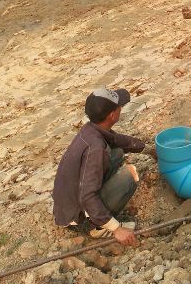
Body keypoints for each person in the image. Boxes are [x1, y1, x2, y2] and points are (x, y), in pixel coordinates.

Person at [52, 88, 145, 246]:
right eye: (119, 107)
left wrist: (145, 148)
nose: (121, 108)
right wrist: (116, 229)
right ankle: (97, 227)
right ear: (112, 115)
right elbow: (87, 196)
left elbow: (116, 140)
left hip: (67, 203)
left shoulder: (91, 130)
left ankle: (98, 217)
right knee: (129, 176)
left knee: (116, 153)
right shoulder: (95, 149)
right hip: (77, 217)